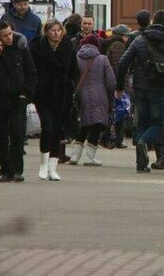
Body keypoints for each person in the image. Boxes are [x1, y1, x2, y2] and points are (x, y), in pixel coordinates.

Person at [115, 10, 164, 173]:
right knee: (157, 123)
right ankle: (144, 142)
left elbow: (123, 62)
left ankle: (140, 163)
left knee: (142, 122)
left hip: (140, 87)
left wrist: (119, 87)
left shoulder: (139, 40)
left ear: (152, 21)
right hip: (160, 88)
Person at [0, 22, 37, 182]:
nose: (9, 37)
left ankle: (17, 170)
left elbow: (31, 72)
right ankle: (5, 170)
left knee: (18, 133)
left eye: (10, 33)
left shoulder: (21, 47)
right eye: (5, 35)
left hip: (17, 98)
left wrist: (27, 94)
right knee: (0, 135)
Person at [30, 20, 79, 180]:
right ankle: (43, 165)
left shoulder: (68, 47)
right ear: (47, 31)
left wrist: (72, 85)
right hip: (44, 93)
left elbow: (74, 70)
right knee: (48, 128)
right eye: (53, 30)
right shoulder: (37, 47)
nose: (56, 33)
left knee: (58, 131)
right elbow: (32, 70)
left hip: (62, 94)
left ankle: (53, 167)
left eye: (59, 30)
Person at [69, 35, 115, 167]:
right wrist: (111, 95)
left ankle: (74, 156)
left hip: (80, 95)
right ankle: (89, 157)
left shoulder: (76, 58)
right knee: (96, 125)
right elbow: (111, 82)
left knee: (83, 125)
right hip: (99, 96)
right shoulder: (102, 59)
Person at [99, 24, 131, 149]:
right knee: (120, 111)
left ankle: (111, 137)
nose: (127, 39)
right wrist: (121, 85)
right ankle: (115, 139)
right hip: (118, 83)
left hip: (111, 81)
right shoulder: (118, 45)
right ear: (121, 36)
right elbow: (119, 66)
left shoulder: (110, 43)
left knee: (115, 111)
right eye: (126, 36)